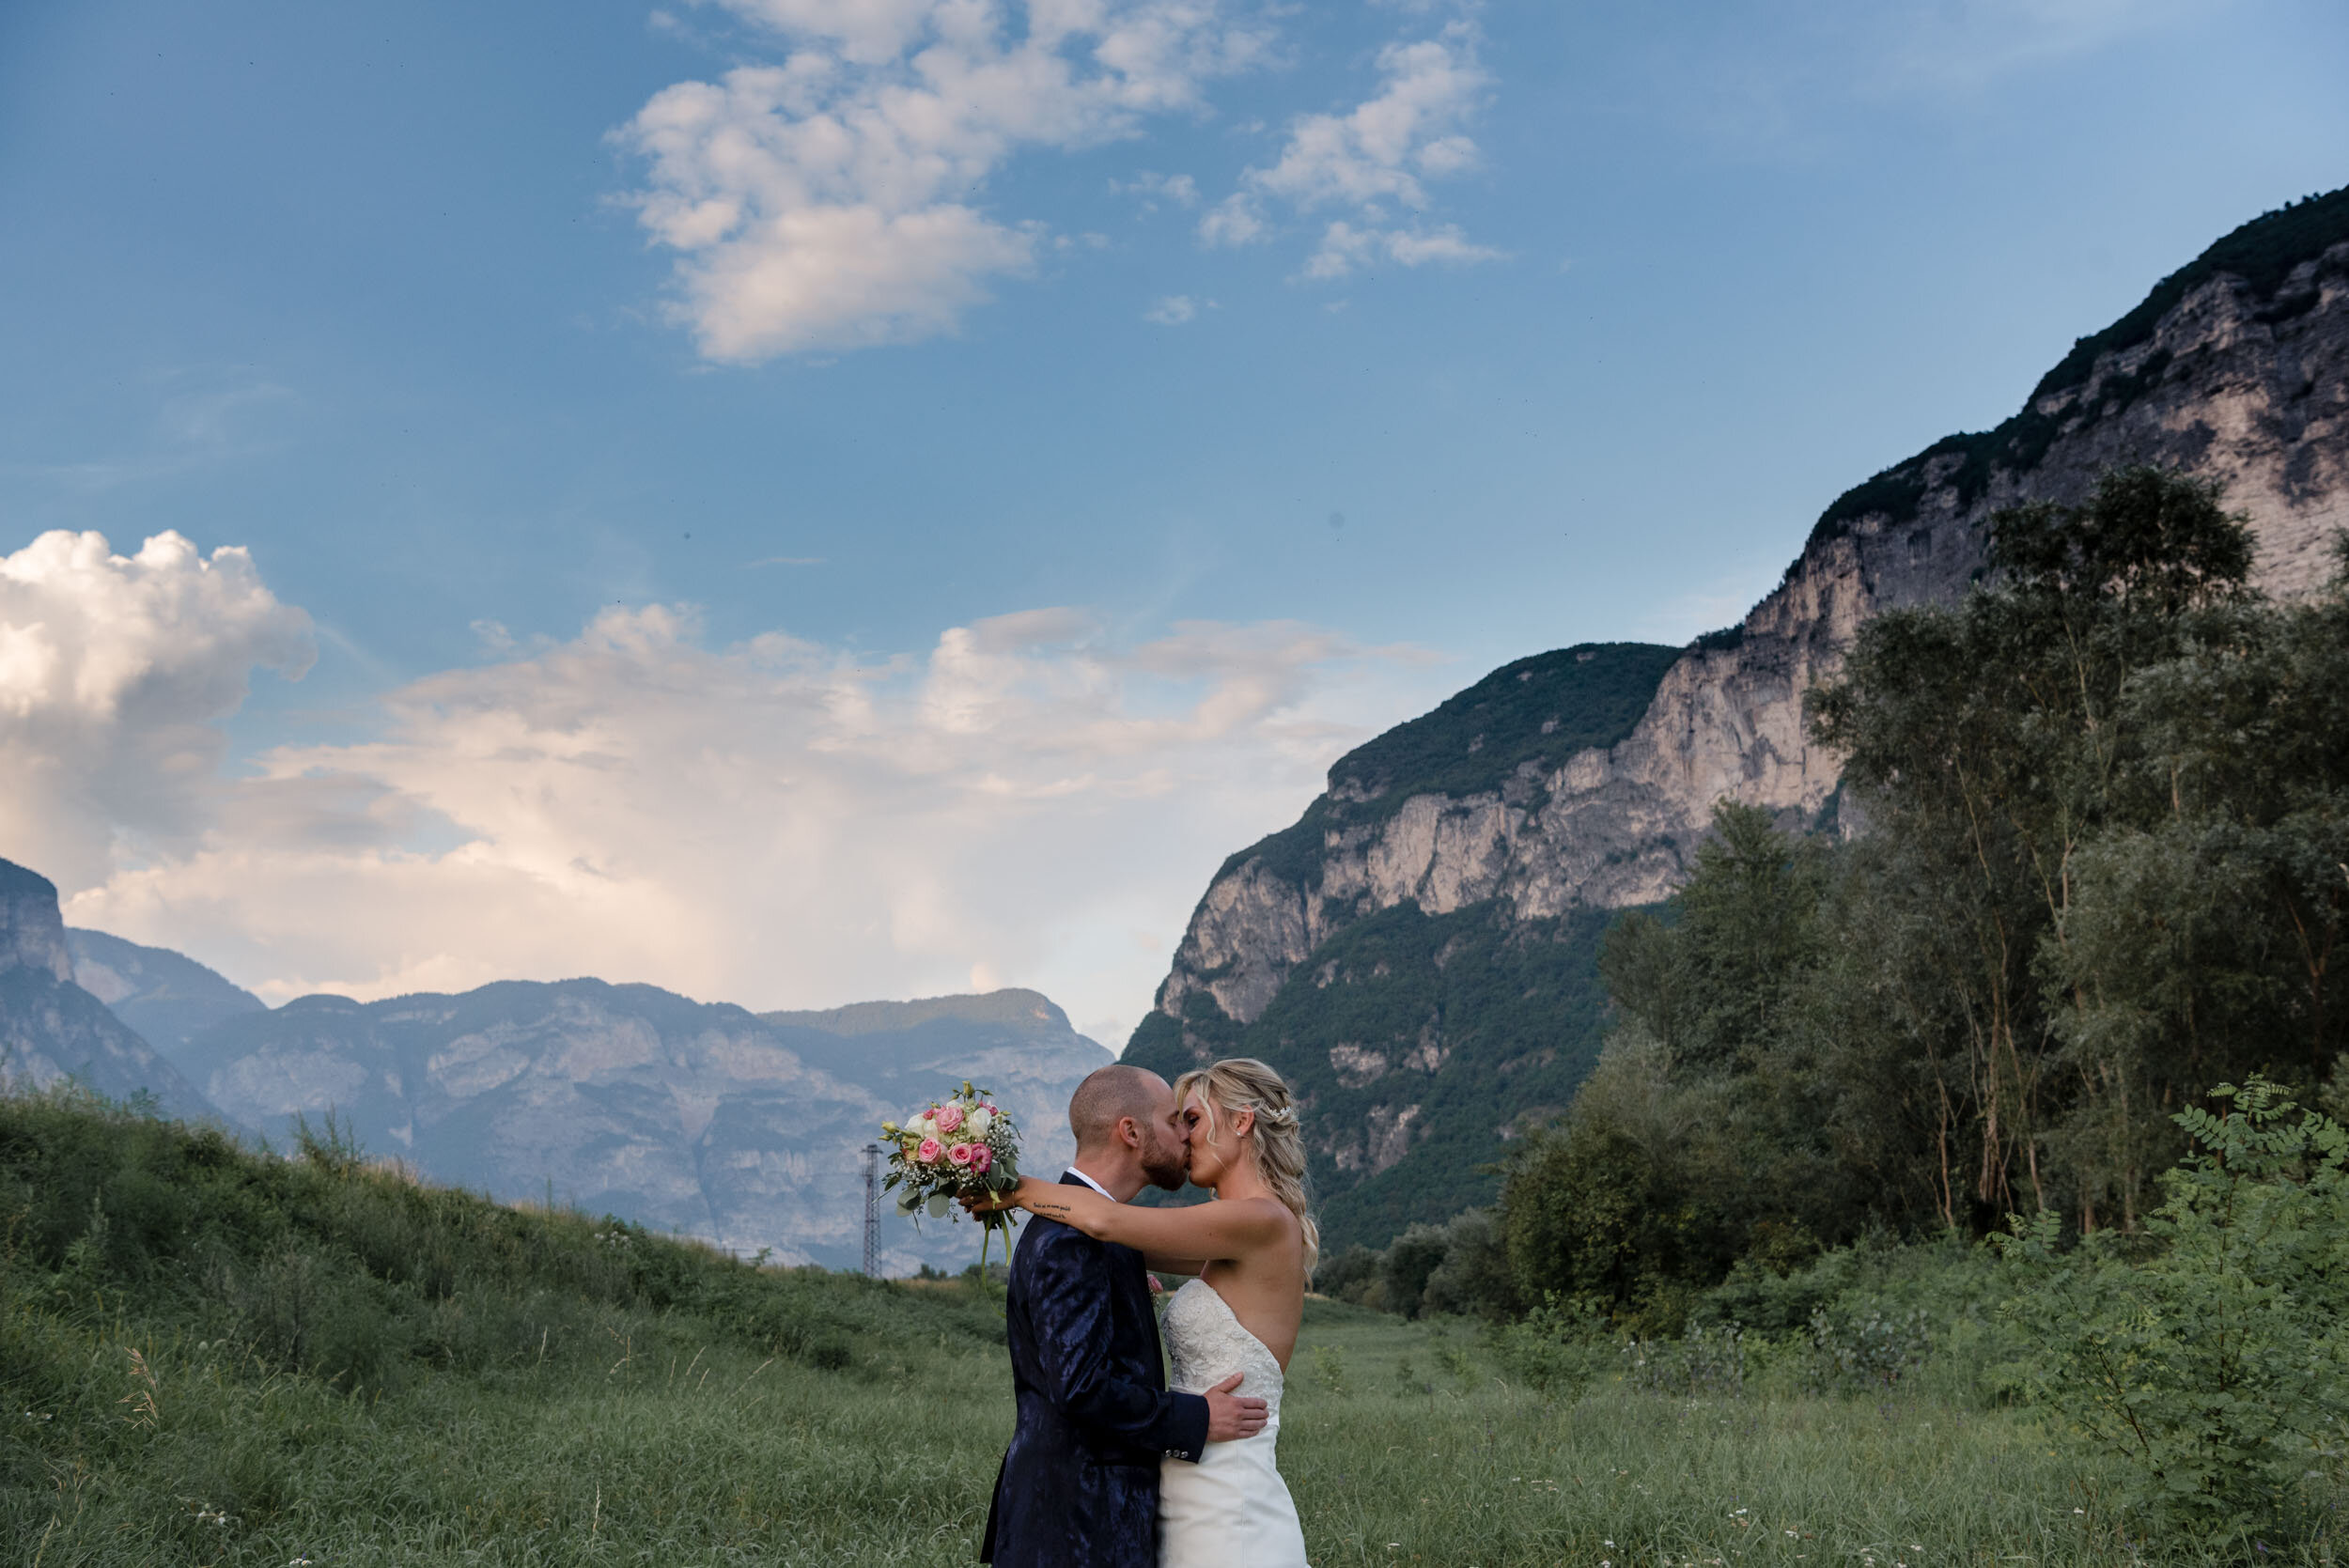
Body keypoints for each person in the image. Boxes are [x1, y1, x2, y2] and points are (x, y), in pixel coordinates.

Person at [986, 1058, 1315, 1568]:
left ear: (1242, 1122)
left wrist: (1005, 1188)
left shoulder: (1260, 1220)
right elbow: (1118, 1241)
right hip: (1183, 1487)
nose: (1185, 1138)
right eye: (1178, 1121)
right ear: (1130, 1131)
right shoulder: (1223, 1235)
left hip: (1228, 1491)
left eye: (1193, 1120)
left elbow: (1106, 1221)